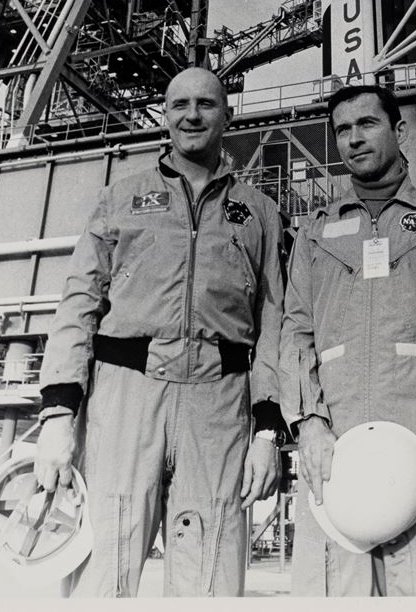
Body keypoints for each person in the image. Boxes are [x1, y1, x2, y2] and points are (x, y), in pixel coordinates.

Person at [34, 68, 287, 597]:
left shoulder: (260, 212)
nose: (191, 115)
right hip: (125, 398)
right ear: (165, 117)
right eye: (179, 105)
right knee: (103, 561)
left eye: (206, 104)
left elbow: (274, 324)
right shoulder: (119, 199)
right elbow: (79, 303)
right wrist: (59, 413)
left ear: (227, 115)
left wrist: (266, 430)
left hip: (219, 404)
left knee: (212, 566)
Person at [279, 84, 416, 597]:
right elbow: (295, 330)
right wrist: (309, 423)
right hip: (334, 453)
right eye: (342, 130)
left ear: (399, 130)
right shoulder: (315, 232)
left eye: (366, 124)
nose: (353, 139)